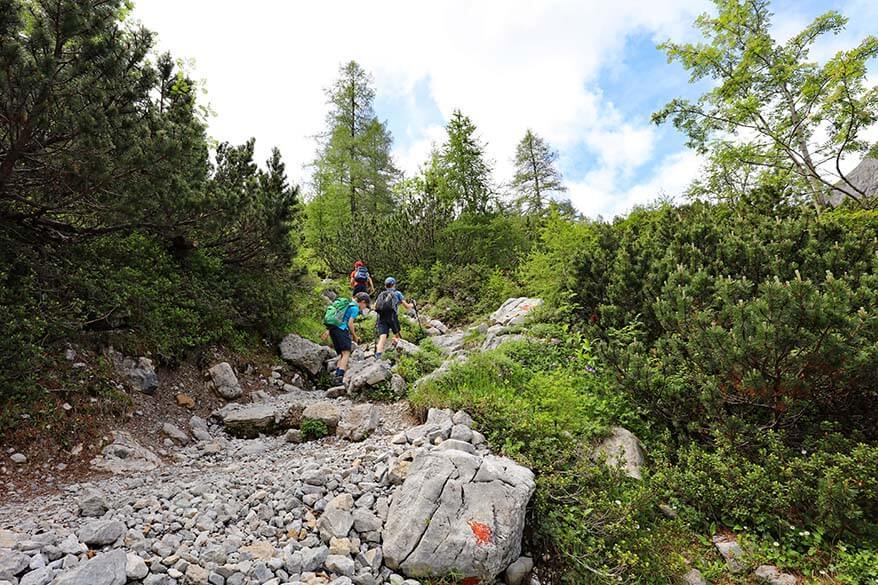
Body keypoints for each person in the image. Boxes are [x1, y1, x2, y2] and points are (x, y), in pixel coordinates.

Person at [321, 292, 371, 383]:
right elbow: (350, 323)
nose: (364, 307)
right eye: (366, 305)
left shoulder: (348, 305)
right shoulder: (355, 308)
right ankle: (339, 377)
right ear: (362, 302)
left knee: (341, 354)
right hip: (341, 330)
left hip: (334, 329)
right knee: (346, 353)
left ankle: (336, 377)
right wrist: (355, 336)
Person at [373, 277, 413, 360]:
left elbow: (375, 306)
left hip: (381, 317)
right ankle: (400, 354)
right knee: (397, 334)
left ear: (385, 285)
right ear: (394, 284)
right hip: (392, 317)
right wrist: (413, 304)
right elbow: (406, 306)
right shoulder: (397, 293)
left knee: (382, 337)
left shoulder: (381, 294)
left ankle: (378, 355)